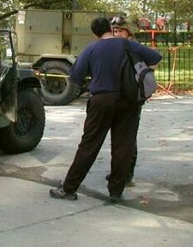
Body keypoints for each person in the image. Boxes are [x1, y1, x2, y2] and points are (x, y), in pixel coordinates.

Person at [49, 17, 162, 202]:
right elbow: (155, 58)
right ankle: (116, 192)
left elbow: (75, 76)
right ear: (111, 28)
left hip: (101, 100)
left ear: (95, 34)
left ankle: (69, 189)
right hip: (129, 101)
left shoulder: (92, 49)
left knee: (89, 144)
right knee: (123, 145)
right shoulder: (127, 45)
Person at [109, 16, 139, 186]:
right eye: (115, 30)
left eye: (120, 31)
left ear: (129, 33)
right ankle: (118, 172)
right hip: (115, 96)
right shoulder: (113, 48)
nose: (117, 33)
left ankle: (127, 174)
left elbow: (152, 63)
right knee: (117, 137)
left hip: (131, 99)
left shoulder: (135, 48)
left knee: (129, 139)